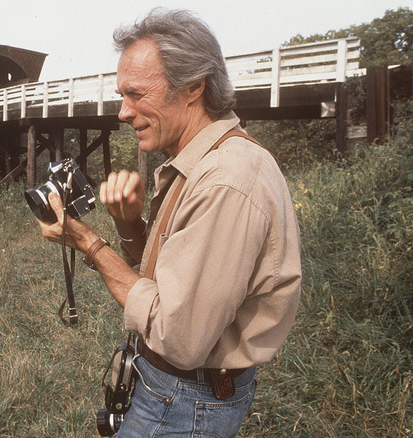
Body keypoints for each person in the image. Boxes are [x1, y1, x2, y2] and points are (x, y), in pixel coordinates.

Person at [35, 8, 301, 437]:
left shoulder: (225, 182)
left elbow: (178, 337)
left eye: (136, 94)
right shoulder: (202, 163)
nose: (123, 112)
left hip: (185, 404)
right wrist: (129, 225)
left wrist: (87, 241)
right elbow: (173, 281)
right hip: (173, 392)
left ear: (194, 86)